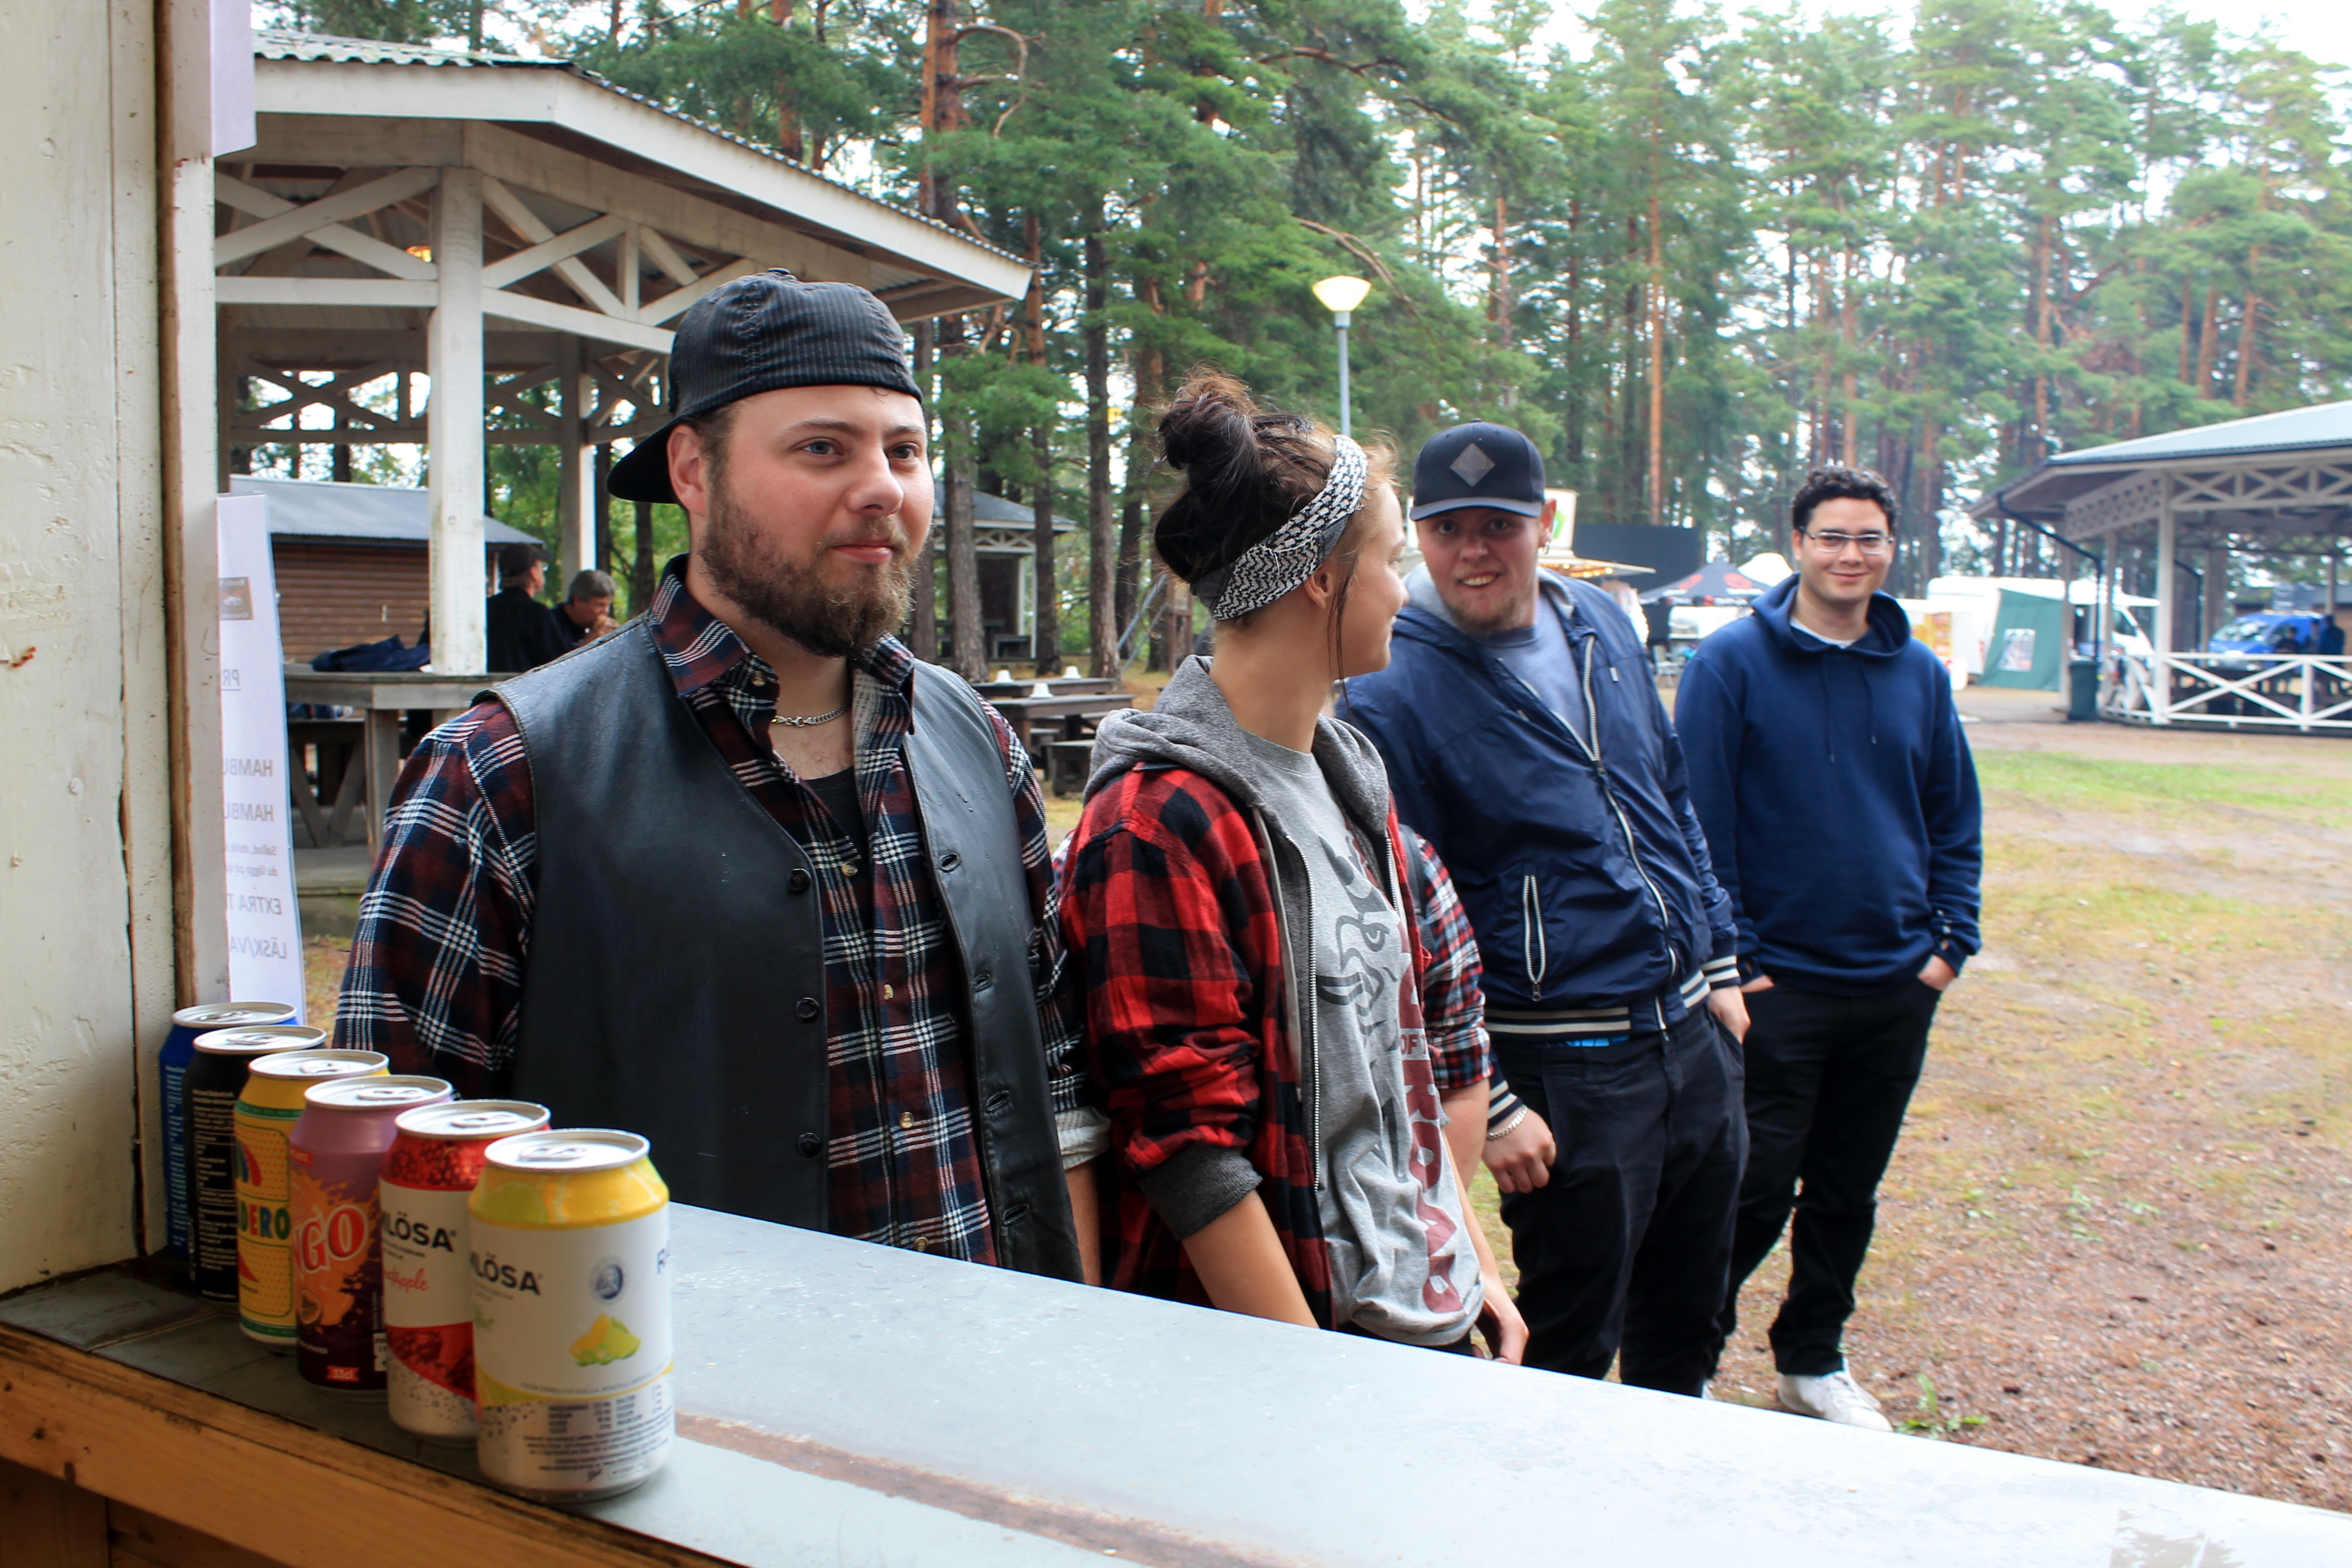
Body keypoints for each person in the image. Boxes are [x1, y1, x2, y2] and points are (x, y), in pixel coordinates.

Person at [336, 269, 1103, 1281]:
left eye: (904, 450)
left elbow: (1053, 1077)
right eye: (822, 448)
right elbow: (395, 1179)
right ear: (694, 471)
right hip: (671, 1375)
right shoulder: (499, 776)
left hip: (987, 1364)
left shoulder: (977, 742)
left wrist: (1073, 1323)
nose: (883, 487)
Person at [1061, 373, 1525, 1358]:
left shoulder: (1347, 773)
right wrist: (1318, 1385)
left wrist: (1465, 1257)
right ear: (1320, 577)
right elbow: (1190, 1155)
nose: (1404, 590)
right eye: (1390, 560)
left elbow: (1407, 1061)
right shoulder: (1156, 824)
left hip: (1408, 1316)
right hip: (1287, 1352)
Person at [1341, 420, 1746, 1396]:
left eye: (1498, 525)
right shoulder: (1390, 684)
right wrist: (1492, 1099)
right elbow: (1399, 923)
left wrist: (1722, 963)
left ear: (1542, 524)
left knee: (1692, 1312)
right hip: (1565, 1067)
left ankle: (1664, 1473)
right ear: (1418, 536)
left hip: (1690, 1034)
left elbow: (1669, 789)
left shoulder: (1599, 619)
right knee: (1569, 1335)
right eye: (1447, 529)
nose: (1472, 552)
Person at [1675, 465, 1981, 1429]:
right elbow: (1697, 823)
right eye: (1832, 537)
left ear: (1891, 549)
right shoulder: (1730, 664)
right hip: (1779, 985)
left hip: (1895, 980)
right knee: (1755, 1186)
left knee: (1848, 1190)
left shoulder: (1919, 672)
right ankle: (1683, 1356)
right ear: (1798, 543)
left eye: (1869, 539)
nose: (1851, 555)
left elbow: (1953, 815)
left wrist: (1948, 945)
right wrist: (1737, 958)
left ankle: (1812, 1360)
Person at [485, 542, 569, 673]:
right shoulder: (537, 613)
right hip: (525, 684)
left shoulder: (486, 608)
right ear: (533, 573)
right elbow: (558, 665)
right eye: (541, 567)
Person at [553, 568, 619, 651]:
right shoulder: (550, 625)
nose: (606, 611)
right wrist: (590, 642)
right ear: (578, 600)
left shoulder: (586, 626)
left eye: (608, 605)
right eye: (600, 605)